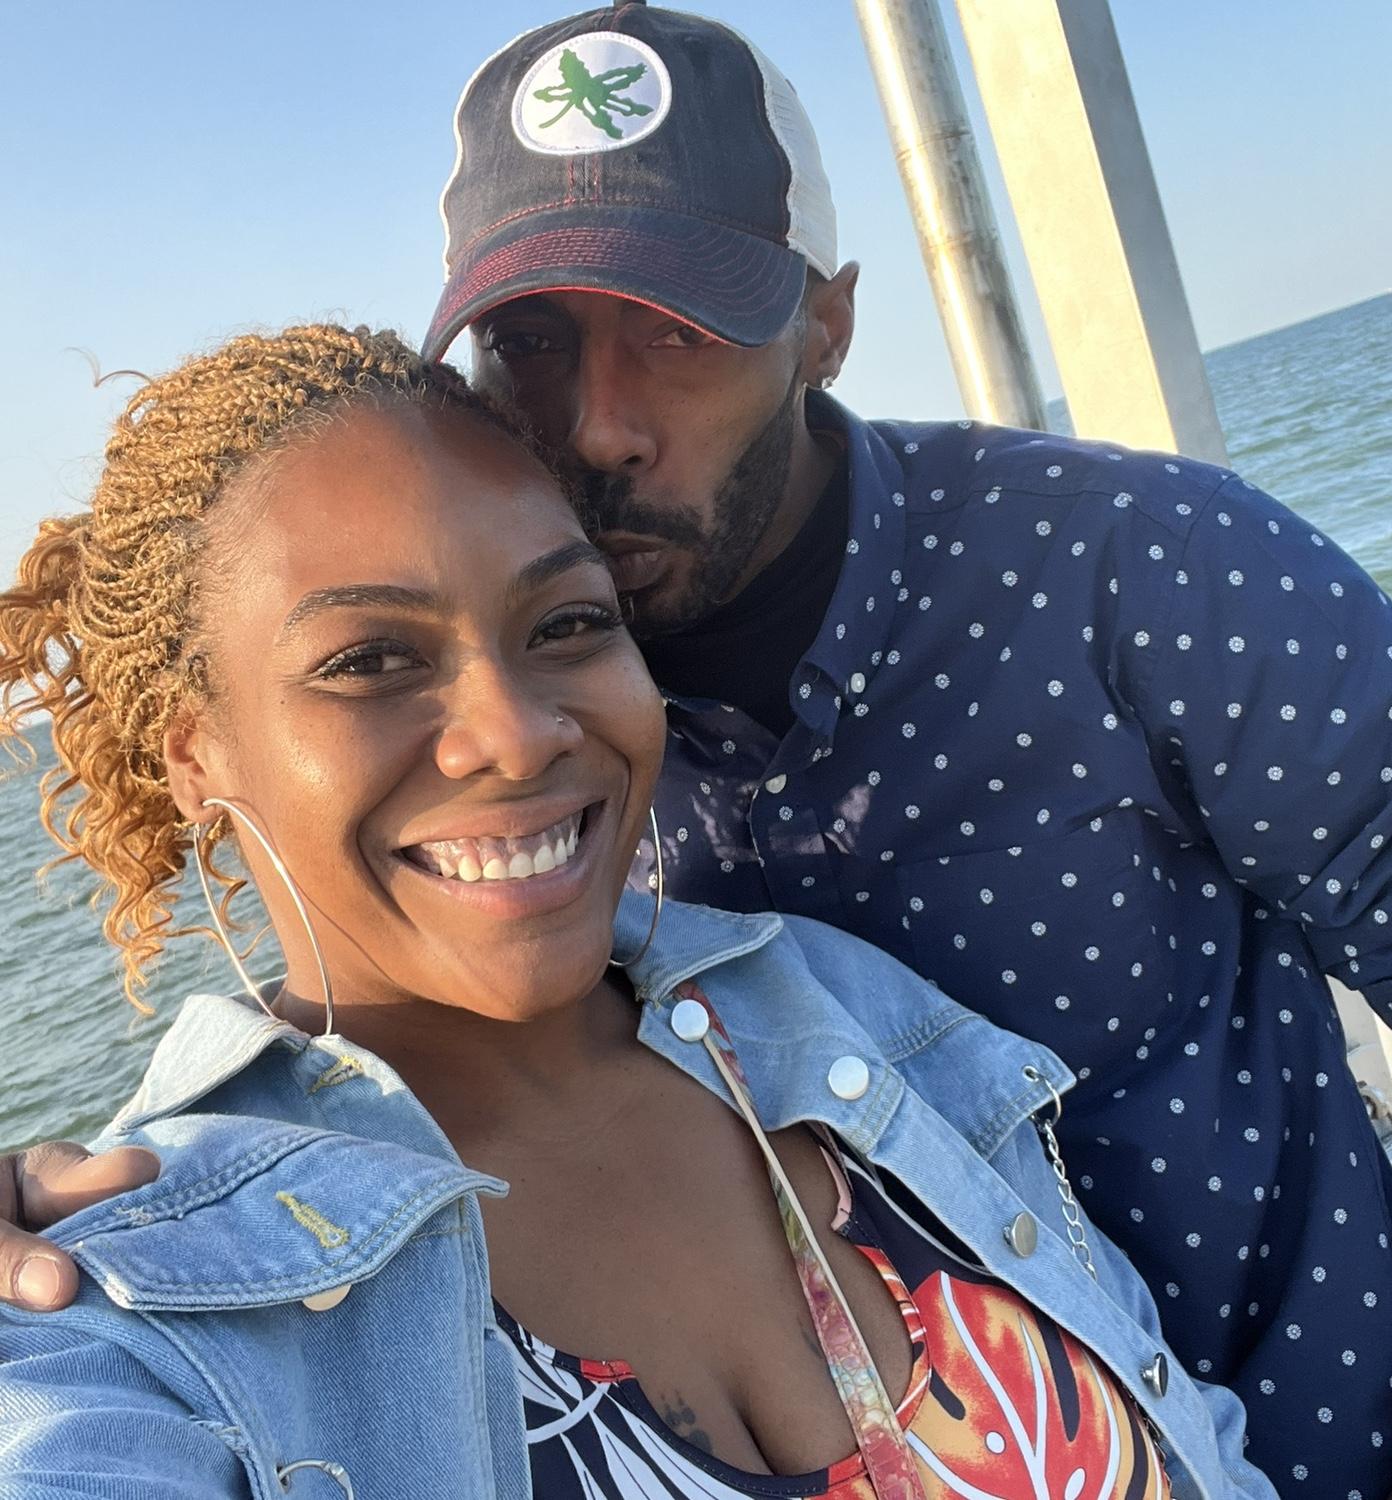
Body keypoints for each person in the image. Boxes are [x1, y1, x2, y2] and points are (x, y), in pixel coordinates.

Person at [4, 5, 1392, 1494]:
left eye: (681, 331)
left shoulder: (1140, 572)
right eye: (530, 340)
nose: (598, 426)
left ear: (826, 327)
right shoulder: (555, 750)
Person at [0, 323, 1271, 1500]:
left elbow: (1191, 1438)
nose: (515, 734)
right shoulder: (146, 1300)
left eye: (567, 622)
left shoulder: (837, 1009)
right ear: (196, 753)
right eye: (371, 661)